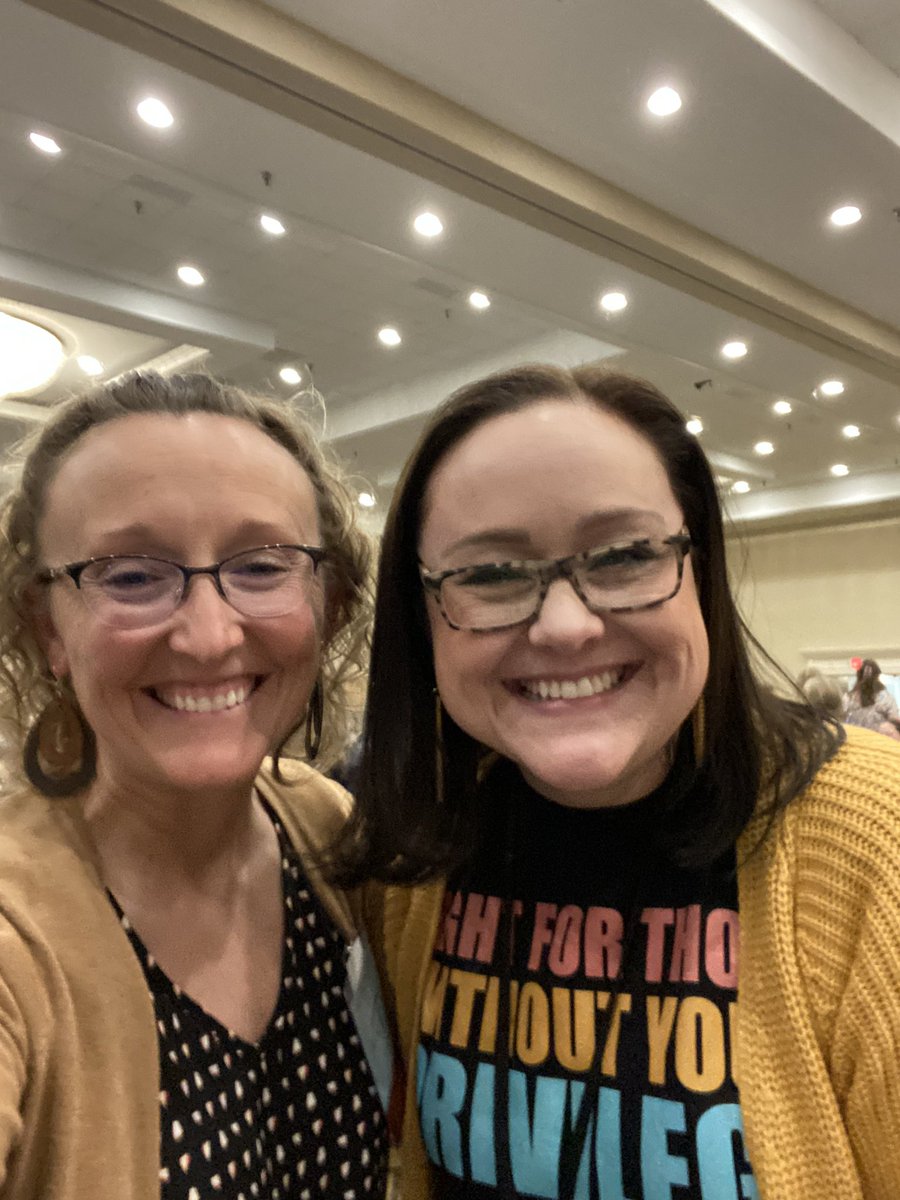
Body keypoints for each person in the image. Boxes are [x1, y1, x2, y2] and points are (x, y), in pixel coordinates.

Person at [336, 365, 900, 1199]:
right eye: (491, 574)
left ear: (699, 570)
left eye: (628, 555)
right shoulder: (414, 857)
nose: (566, 626)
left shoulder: (874, 838)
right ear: (424, 621)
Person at [0, 372, 388, 1199]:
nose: (210, 636)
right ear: (49, 631)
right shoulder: (16, 929)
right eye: (132, 576)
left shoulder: (327, 830)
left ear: (328, 601)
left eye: (261, 567)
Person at [844, 658, 899, 733]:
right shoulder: (885, 697)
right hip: (879, 739)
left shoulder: (848, 697)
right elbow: (893, 717)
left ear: (858, 675)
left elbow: (841, 716)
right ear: (877, 676)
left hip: (854, 738)